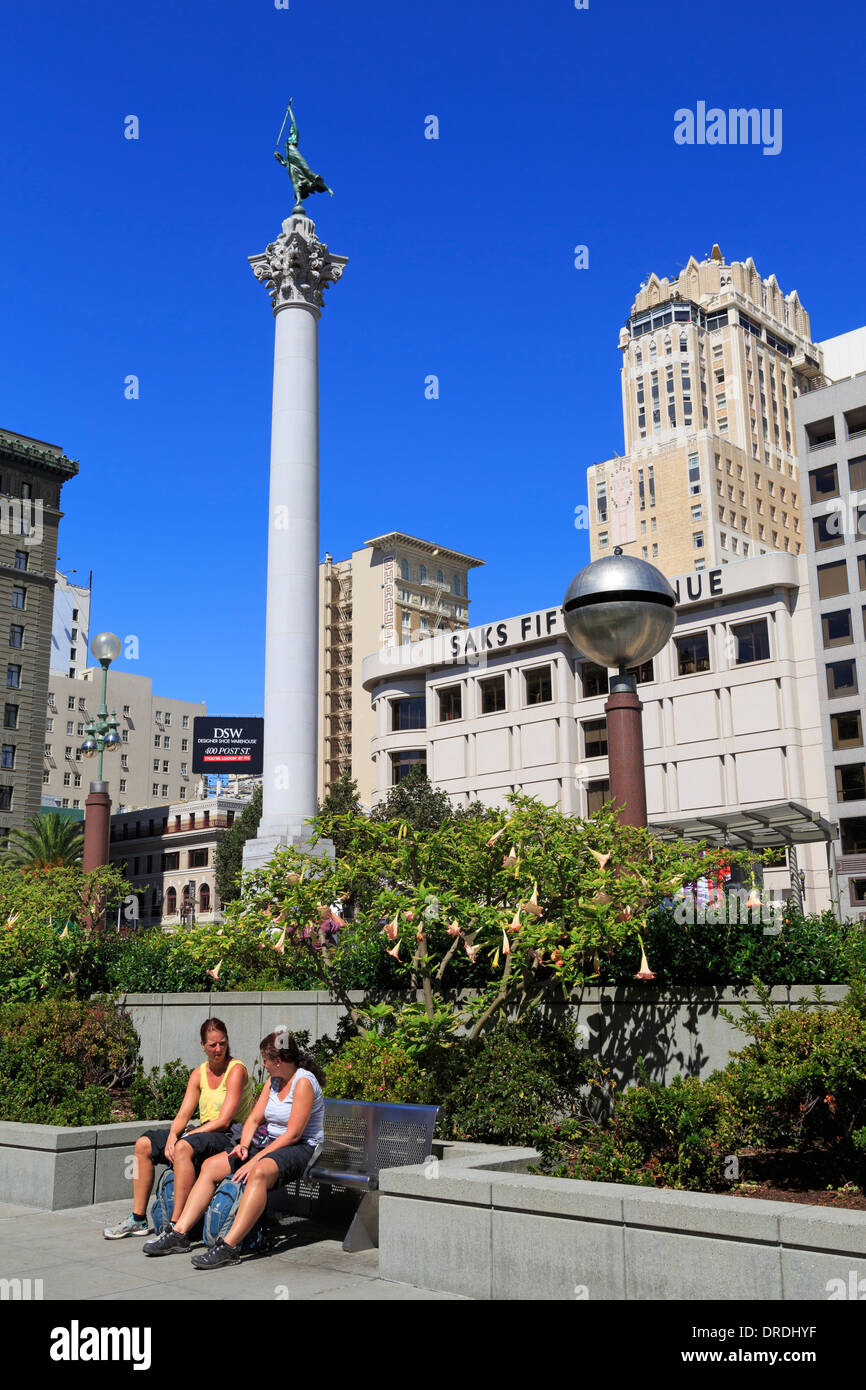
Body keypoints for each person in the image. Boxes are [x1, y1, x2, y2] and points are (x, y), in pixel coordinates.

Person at [142, 1030, 325, 1268]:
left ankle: (229, 1247)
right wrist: (245, 1147)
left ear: (278, 1061)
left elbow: (294, 1134)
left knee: (257, 1173)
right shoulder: (273, 1081)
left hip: (302, 1149)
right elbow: (252, 1120)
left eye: (265, 1060)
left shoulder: (302, 1083)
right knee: (210, 1166)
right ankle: (179, 1233)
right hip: (270, 1144)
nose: (264, 1065)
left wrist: (254, 1160)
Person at [103, 1018, 255, 1239]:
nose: (218, 1049)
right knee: (143, 1144)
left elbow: (224, 1120)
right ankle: (138, 1219)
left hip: (230, 1135)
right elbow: (184, 1114)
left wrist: (186, 1137)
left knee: (184, 1146)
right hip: (204, 1131)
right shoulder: (199, 1073)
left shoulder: (236, 1070)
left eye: (222, 1043)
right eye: (212, 1045)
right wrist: (173, 1135)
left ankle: (175, 1229)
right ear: (202, 1045)